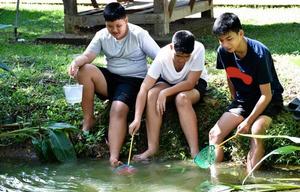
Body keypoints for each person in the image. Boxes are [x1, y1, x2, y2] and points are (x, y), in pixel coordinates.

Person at [68, 2, 160, 167]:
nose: (115, 30)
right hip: (111, 79)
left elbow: (160, 58)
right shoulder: (103, 35)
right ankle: (88, 119)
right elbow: (88, 56)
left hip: (134, 80)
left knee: (117, 108)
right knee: (84, 70)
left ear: (126, 20)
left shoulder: (139, 34)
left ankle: (114, 158)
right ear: (105, 24)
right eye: (111, 26)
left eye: (119, 26)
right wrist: (76, 62)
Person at [209, 13, 284, 172]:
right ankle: (215, 181)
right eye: (221, 40)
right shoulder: (223, 51)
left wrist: (248, 121)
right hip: (243, 100)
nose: (225, 44)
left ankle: (249, 180)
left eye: (229, 39)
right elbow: (230, 75)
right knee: (214, 134)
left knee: (255, 131)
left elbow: (267, 95)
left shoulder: (259, 54)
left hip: (268, 99)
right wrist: (234, 100)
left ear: (240, 34)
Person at [129, 30, 208, 161]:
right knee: (152, 93)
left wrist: (165, 92)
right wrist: (137, 118)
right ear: (171, 47)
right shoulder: (162, 57)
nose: (182, 60)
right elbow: (144, 88)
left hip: (193, 84)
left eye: (186, 57)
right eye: (178, 56)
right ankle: (152, 148)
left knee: (181, 98)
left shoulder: (198, 49)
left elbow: (190, 83)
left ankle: (195, 152)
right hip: (168, 82)